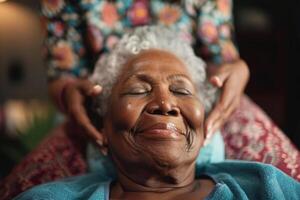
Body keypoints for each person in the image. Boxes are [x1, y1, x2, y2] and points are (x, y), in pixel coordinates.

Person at [15, 26, 300, 200]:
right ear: (101, 124)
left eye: (182, 91)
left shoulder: (266, 186)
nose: (165, 104)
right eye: (138, 90)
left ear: (205, 120)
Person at [43, 0, 249, 147]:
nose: (165, 105)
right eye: (138, 90)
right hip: (93, 113)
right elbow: (62, 72)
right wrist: (67, 91)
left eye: (178, 90)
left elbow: (219, 60)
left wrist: (238, 69)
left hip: (208, 102)